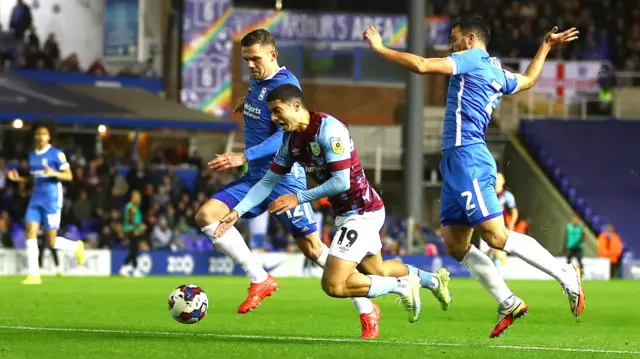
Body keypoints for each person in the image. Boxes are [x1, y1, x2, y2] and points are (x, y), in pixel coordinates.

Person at [194, 28, 425, 339]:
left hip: (284, 178)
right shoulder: (258, 80)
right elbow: (261, 103)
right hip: (256, 178)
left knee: (313, 248)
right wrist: (245, 102)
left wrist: (242, 155)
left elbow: (282, 137)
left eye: (255, 58)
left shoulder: (285, 86)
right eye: (246, 59)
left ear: (273, 55)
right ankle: (258, 277)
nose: (249, 64)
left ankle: (367, 307)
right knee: (207, 216)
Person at [364, 15, 584, 338]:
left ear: (470, 40)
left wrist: (382, 49)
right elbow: (528, 80)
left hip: (468, 156)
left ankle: (565, 273)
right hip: (455, 161)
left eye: (453, 38)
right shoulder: (497, 72)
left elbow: (423, 66)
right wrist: (546, 46)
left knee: (496, 236)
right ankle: (507, 301)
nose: (449, 44)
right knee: (455, 244)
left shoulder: (471, 60)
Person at [215, 83, 453, 325]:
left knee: (334, 284)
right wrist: (238, 211)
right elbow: (267, 182)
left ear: (296, 105)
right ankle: (433, 281)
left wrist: (297, 197)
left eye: (277, 111)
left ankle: (403, 285)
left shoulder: (329, 130)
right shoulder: (290, 141)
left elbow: (341, 182)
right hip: (351, 212)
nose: (274, 119)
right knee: (377, 271)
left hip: (361, 212)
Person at [7, 118, 84, 284]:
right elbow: (33, 177)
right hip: (36, 198)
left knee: (51, 241)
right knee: (30, 232)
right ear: (35, 136)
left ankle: (76, 247)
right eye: (38, 134)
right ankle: (34, 275)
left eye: (44, 134)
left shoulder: (56, 154)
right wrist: (19, 179)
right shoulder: (32, 155)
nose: (41, 137)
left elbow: (69, 175)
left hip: (52, 199)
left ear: (49, 137)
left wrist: (54, 173)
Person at [120, 190, 146, 277]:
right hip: (131, 230)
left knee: (134, 250)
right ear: (133, 198)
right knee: (133, 250)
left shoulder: (135, 207)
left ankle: (134, 269)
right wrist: (140, 225)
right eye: (138, 198)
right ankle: (124, 268)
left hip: (135, 231)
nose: (139, 199)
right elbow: (131, 220)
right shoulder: (130, 207)